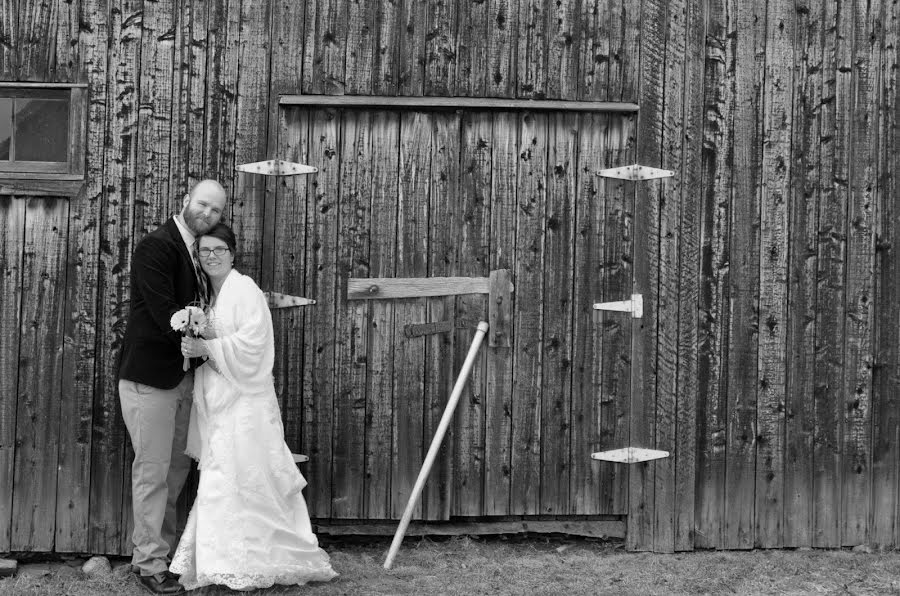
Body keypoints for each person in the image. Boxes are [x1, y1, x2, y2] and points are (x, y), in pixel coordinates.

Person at [171, 223, 337, 591]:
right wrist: (195, 345)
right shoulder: (208, 298)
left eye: (219, 250)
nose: (211, 257)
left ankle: (254, 560)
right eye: (204, 251)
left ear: (232, 254)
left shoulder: (244, 290)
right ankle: (223, 561)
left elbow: (254, 346)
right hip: (220, 398)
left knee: (245, 475)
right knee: (221, 476)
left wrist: (207, 349)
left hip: (245, 402)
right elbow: (220, 341)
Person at [118, 180, 227, 595]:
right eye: (203, 204)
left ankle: (160, 556)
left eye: (216, 210)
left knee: (176, 470)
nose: (208, 214)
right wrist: (201, 342)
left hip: (184, 376)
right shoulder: (156, 246)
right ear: (185, 200)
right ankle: (148, 565)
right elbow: (166, 312)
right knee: (152, 471)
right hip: (152, 378)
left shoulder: (200, 251)